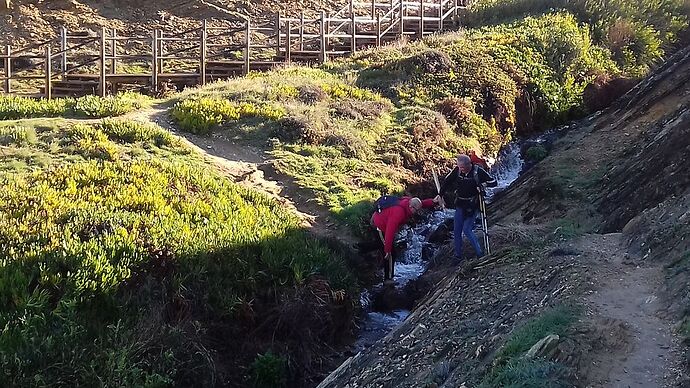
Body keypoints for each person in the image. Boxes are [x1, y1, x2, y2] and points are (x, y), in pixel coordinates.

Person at [371, 196, 441, 285]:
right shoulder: (398, 213)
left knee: (384, 247)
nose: (417, 212)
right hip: (381, 226)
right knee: (390, 254)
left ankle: (362, 248)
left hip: (385, 220)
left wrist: (433, 202)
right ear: (411, 207)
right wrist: (387, 250)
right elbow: (390, 231)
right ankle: (388, 279)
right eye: (416, 210)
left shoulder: (409, 202)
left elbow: (421, 203)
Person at [439, 154, 497, 262]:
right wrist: (440, 194)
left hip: (472, 204)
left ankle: (480, 254)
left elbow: (494, 182)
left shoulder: (477, 171)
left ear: (468, 165)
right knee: (457, 231)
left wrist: (483, 185)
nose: (460, 170)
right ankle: (458, 256)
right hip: (460, 203)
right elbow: (447, 182)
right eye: (459, 167)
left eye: (462, 168)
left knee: (467, 229)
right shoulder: (457, 170)